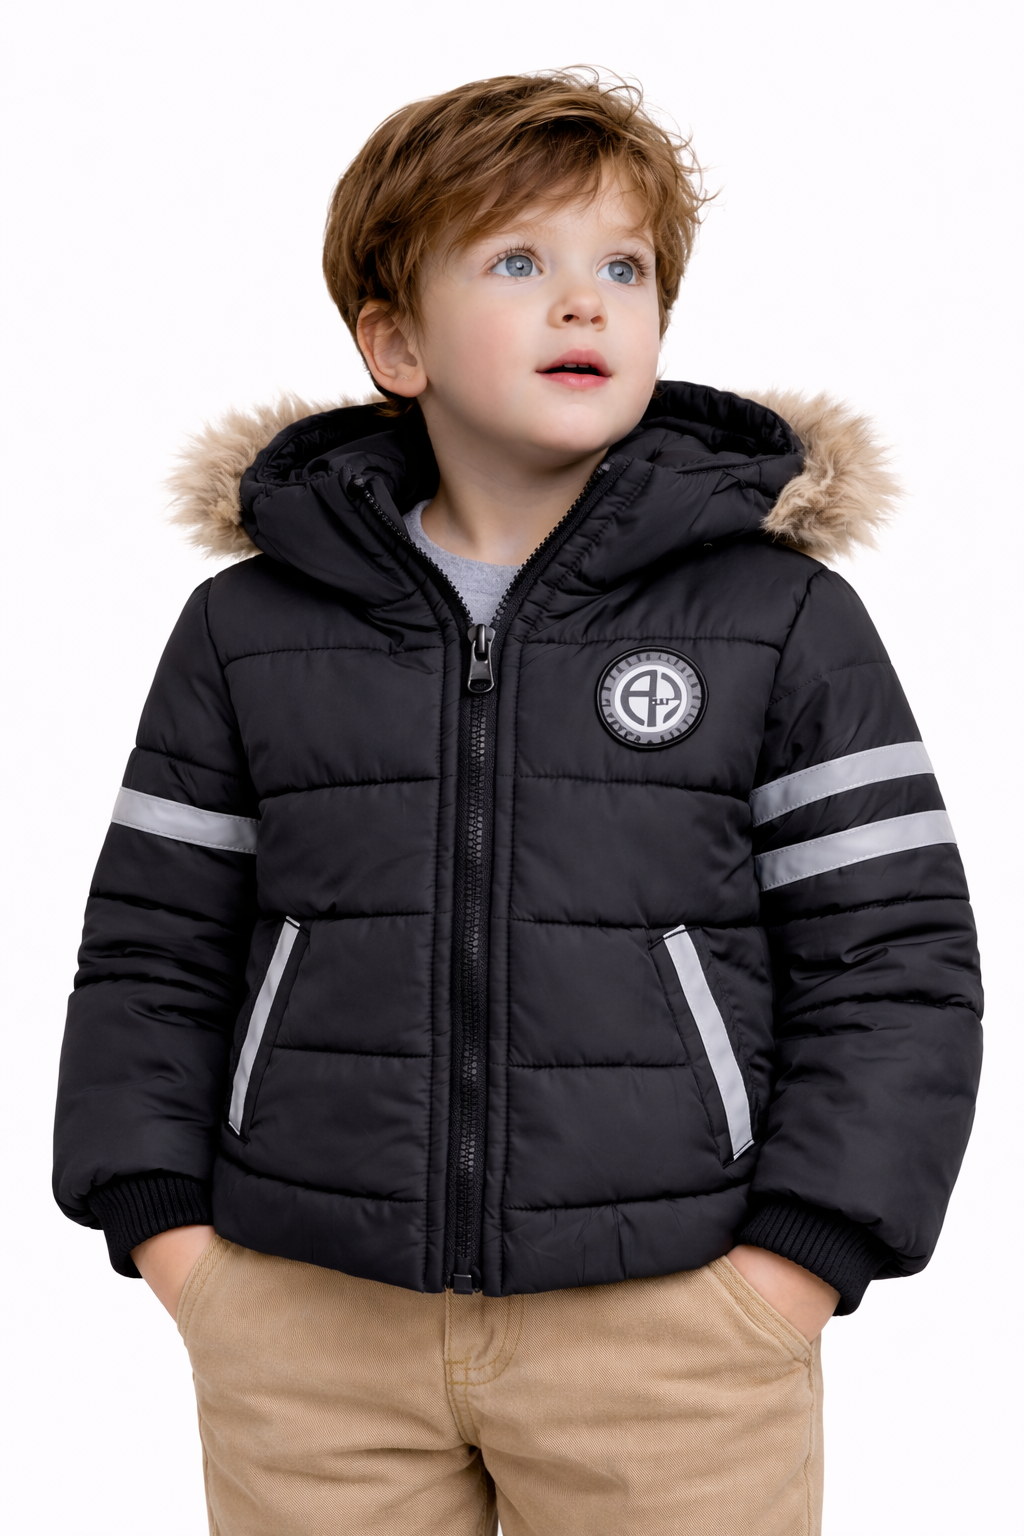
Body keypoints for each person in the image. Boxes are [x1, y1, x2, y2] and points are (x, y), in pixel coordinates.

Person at [52, 70, 982, 1536]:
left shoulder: (779, 620)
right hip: (310, 1331)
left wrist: (796, 1267)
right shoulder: (248, 630)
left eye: (625, 266)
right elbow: (151, 952)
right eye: (516, 261)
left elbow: (898, 963)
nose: (583, 301)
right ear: (395, 343)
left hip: (672, 1339)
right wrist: (172, 1238)